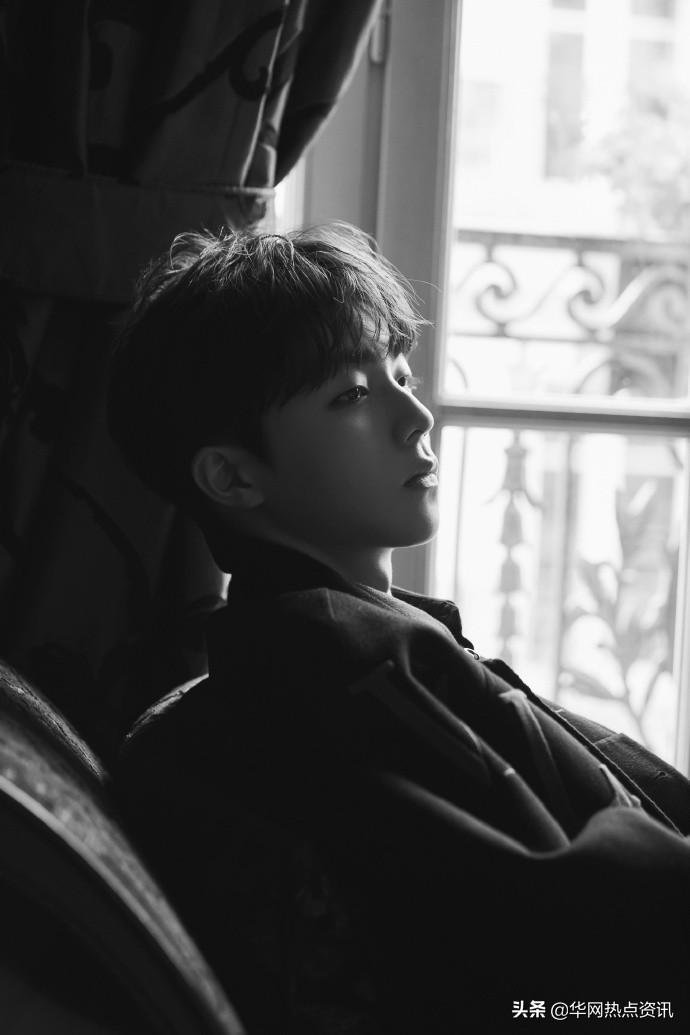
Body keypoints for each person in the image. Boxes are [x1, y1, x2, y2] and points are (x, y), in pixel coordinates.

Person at [109, 224, 690, 1034]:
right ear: (233, 476)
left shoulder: (360, 635)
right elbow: (569, 931)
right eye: (351, 395)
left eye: (402, 374)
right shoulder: (339, 659)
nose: (417, 416)